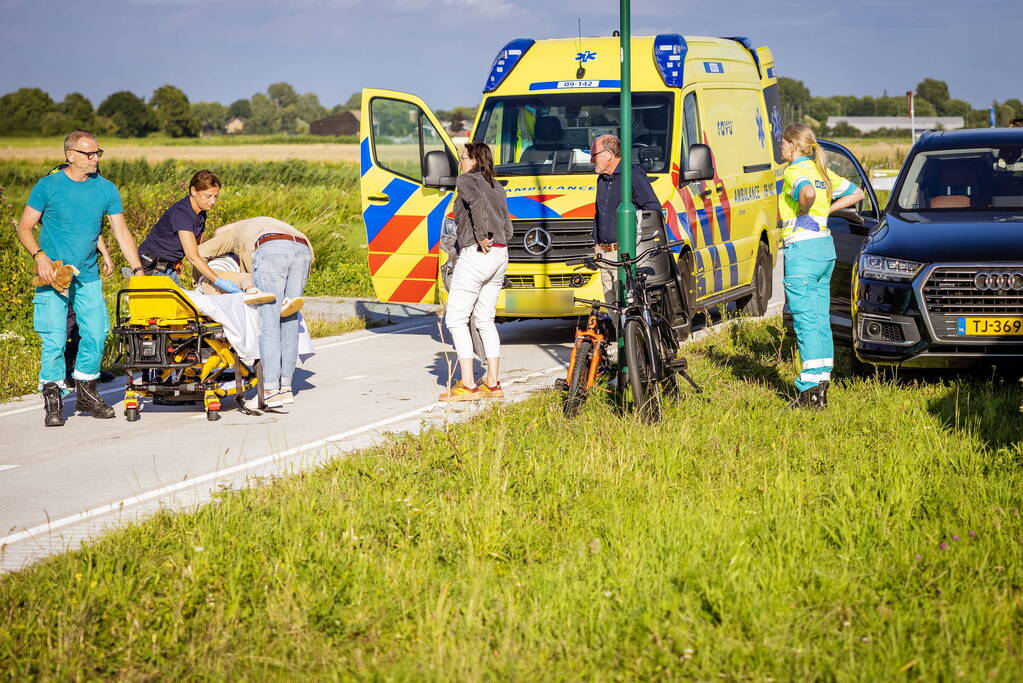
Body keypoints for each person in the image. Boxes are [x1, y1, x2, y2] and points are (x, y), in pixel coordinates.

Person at [16, 129, 145, 427]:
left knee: (98, 332)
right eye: (89, 153)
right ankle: (53, 397)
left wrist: (137, 269)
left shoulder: (106, 189)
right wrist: (40, 256)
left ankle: (86, 388)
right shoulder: (47, 186)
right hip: (53, 274)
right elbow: (24, 227)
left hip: (88, 275)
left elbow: (121, 231)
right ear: (70, 156)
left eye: (98, 152)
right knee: (54, 337)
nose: (95, 158)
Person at [779, 123, 864, 409]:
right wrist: (828, 210)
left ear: (793, 145)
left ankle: (808, 391)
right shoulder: (821, 171)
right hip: (825, 251)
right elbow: (856, 193)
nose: (780, 148)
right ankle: (822, 384)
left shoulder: (794, 171)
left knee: (804, 322)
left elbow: (806, 194)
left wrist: (808, 205)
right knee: (818, 319)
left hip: (802, 252)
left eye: (782, 143)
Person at [197, 217, 314, 408]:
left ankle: (269, 391)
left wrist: (206, 282)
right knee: (289, 320)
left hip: (271, 250)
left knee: (268, 322)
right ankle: (285, 388)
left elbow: (199, 254)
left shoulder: (229, 234)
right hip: (303, 250)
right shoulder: (263, 222)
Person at [440, 141, 513, 402]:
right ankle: (492, 383)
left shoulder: (466, 181)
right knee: (485, 320)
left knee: (456, 319)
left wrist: (482, 237)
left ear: (475, 160)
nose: (461, 162)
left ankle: (468, 384)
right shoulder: (496, 184)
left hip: (478, 253)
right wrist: (501, 238)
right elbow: (505, 218)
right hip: (500, 253)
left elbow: (476, 205)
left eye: (464, 158)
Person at [136, 170, 247, 297]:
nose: (213, 202)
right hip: (152, 267)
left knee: (185, 306)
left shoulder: (201, 213)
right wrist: (218, 281)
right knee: (172, 308)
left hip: (170, 269)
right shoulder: (182, 214)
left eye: (216, 196)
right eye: (208, 196)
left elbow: (198, 248)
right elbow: (193, 256)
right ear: (193, 191)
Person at [590, 134, 661, 314]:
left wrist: (638, 242)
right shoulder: (602, 179)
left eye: (594, 155)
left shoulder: (632, 174)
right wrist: (596, 243)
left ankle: (634, 340)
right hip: (604, 254)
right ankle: (622, 340)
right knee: (613, 310)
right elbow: (600, 214)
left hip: (625, 253)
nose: (591, 160)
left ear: (609, 154)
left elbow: (652, 208)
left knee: (628, 309)